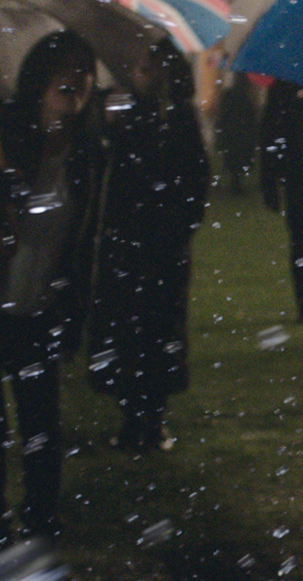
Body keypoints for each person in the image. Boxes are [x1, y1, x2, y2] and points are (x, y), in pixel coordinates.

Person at [0, 30, 100, 543]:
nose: (76, 83)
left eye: (85, 73)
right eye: (66, 72)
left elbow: (84, 241)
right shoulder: (9, 136)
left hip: (41, 304)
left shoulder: (84, 155)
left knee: (41, 419)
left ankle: (41, 513)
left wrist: (72, 308)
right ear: (39, 79)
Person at [87, 42, 209, 453]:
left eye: (153, 64)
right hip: (125, 242)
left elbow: (195, 182)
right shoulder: (118, 110)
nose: (145, 72)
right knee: (125, 328)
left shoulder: (178, 117)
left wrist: (176, 229)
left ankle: (152, 416)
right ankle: (130, 414)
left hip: (160, 246)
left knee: (156, 328)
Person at [259, 78, 303, 324]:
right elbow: (270, 133)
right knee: (301, 241)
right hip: (301, 173)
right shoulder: (284, 90)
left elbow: (269, 134)